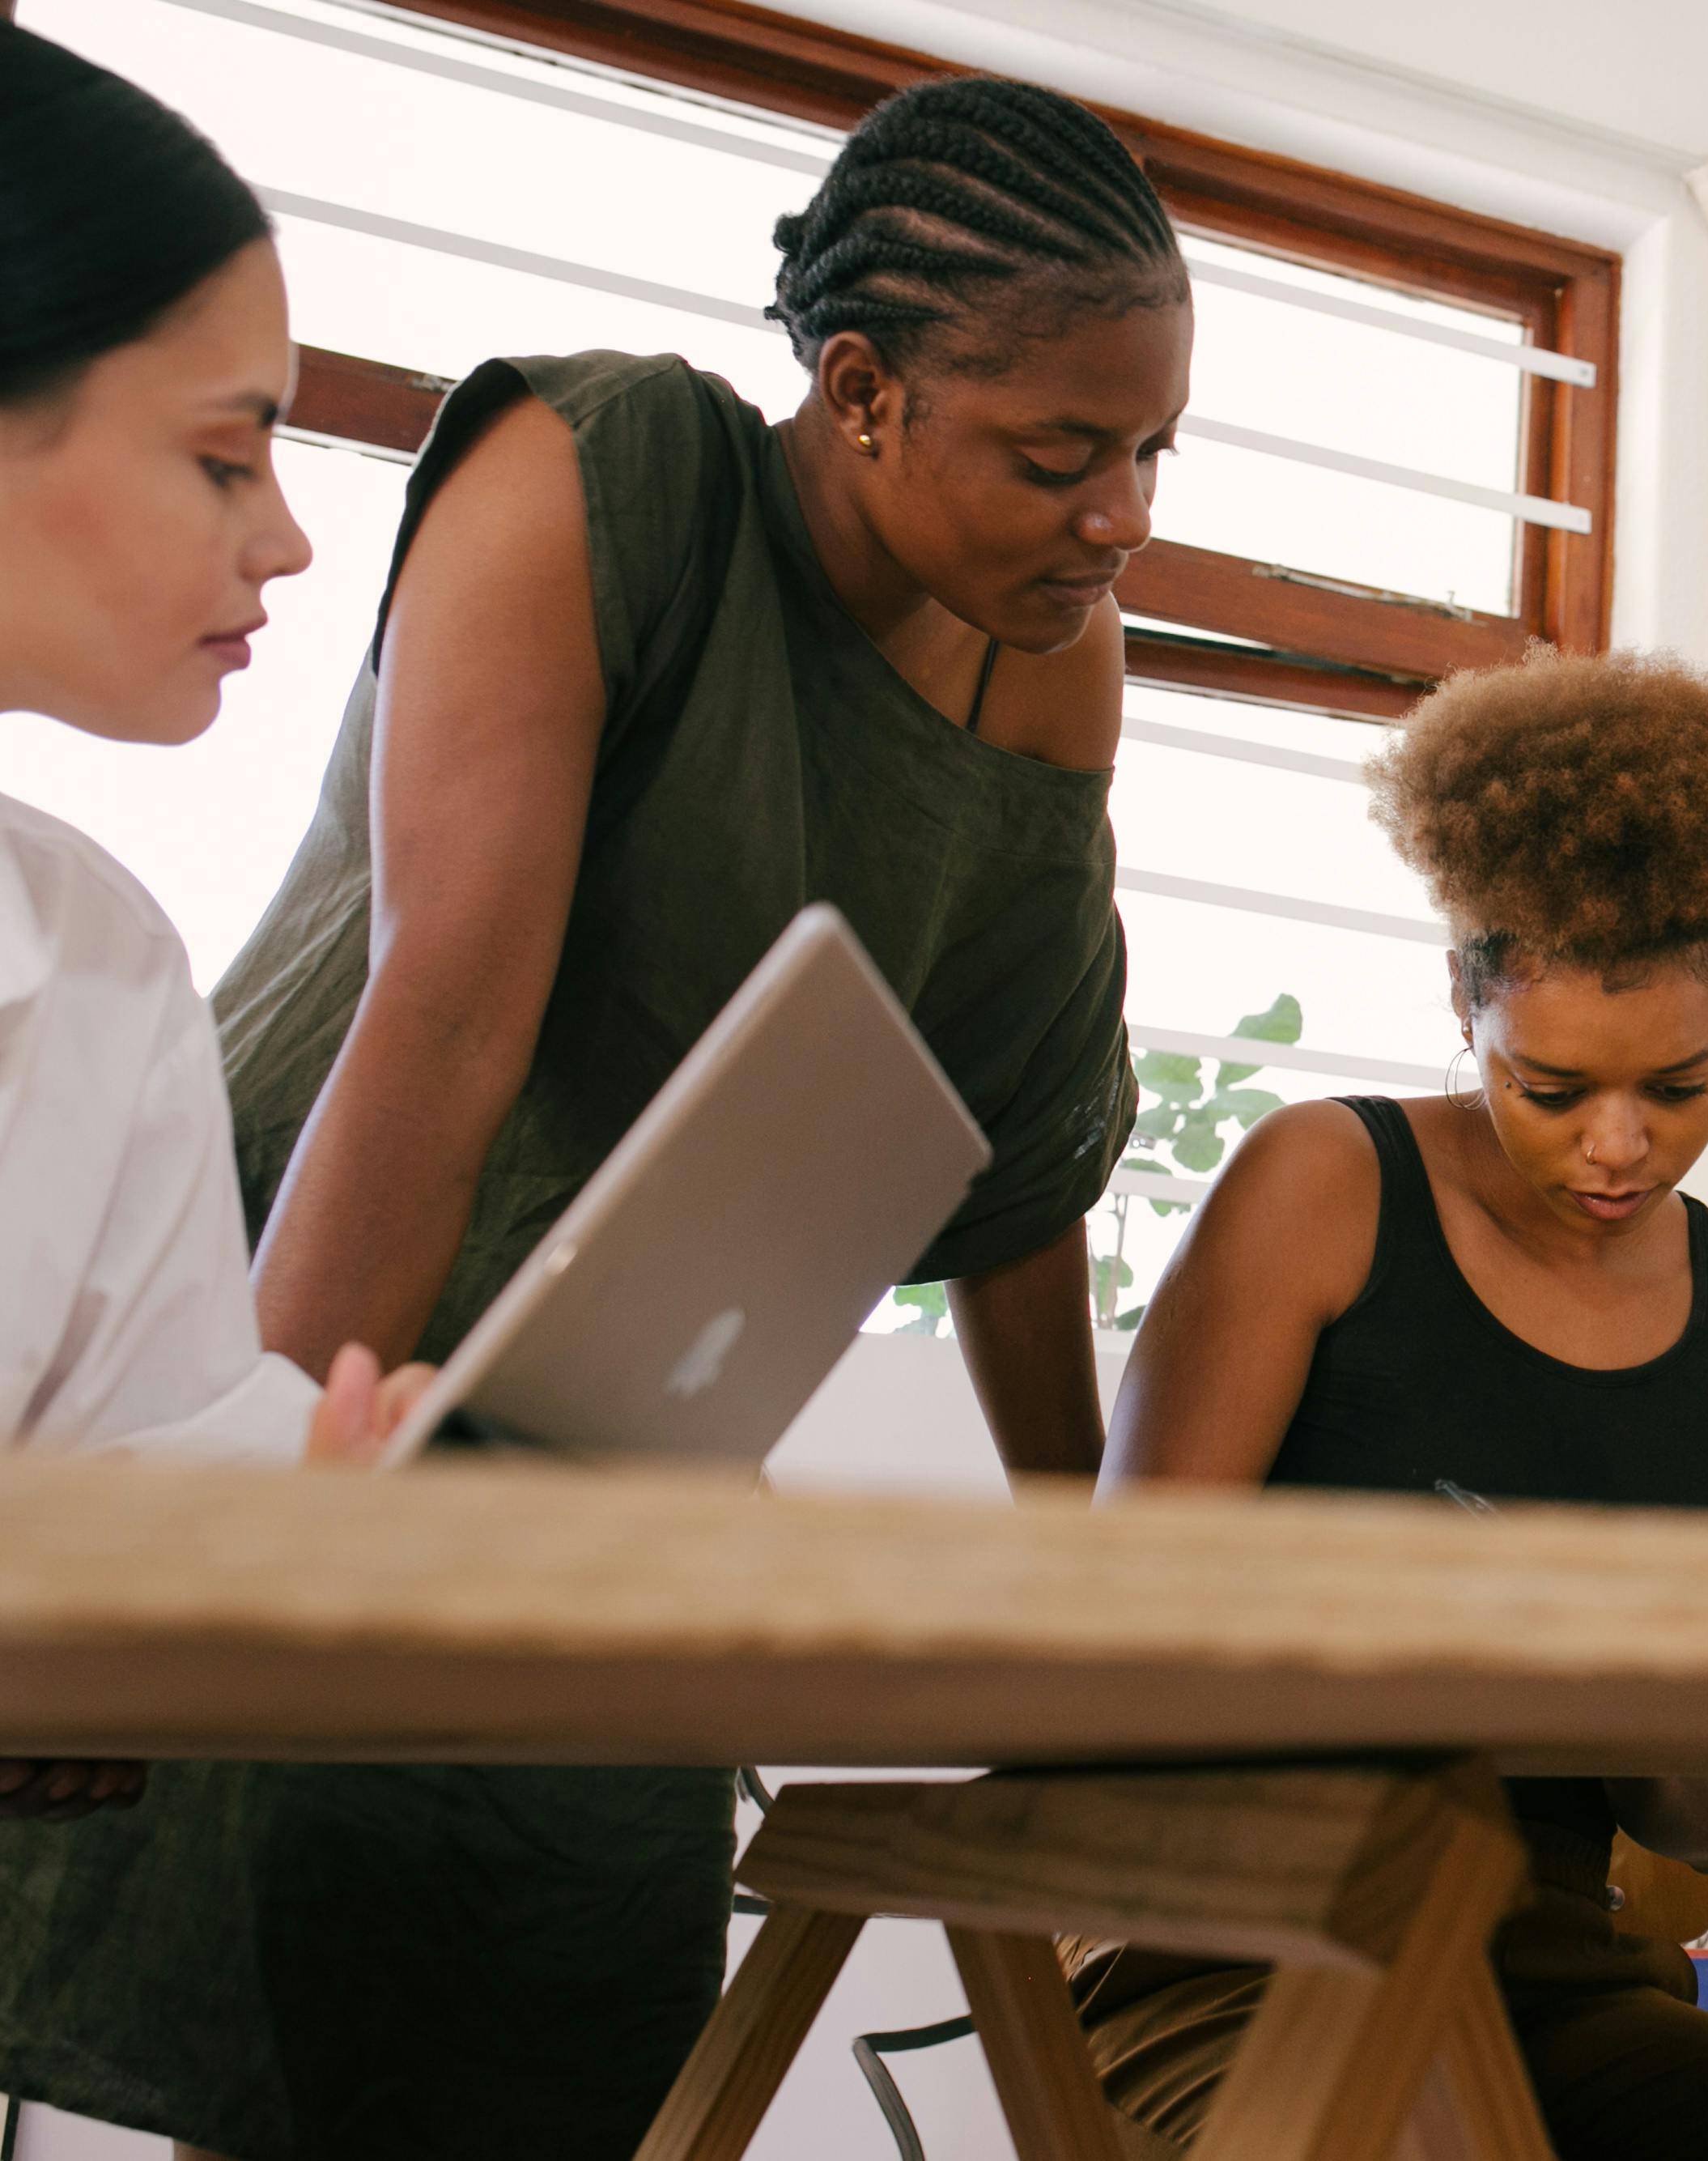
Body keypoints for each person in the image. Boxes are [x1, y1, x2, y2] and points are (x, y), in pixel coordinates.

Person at [0, 70, 1188, 2161]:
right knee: (269, 1953)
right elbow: (443, 1020)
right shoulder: (604, 464)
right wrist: (269, 1557)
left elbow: (1019, 1151)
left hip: (595, 1403)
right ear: (863, 390)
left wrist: (1079, 1578)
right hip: (309, 1280)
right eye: (1060, 453)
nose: (1118, 516)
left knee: (555, 1978)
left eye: (1151, 454)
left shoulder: (1048, 657)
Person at [1094, 648, 1708, 2161]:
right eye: (1549, 1089)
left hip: (1549, 1981)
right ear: (1464, 997)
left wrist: (1648, 1680)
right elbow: (1100, 1648)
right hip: (1233, 1951)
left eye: (1680, 1087)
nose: (1618, 1147)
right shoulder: (1325, 1189)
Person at [0, 0, 419, 2057]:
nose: (289, 538)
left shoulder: (92, 957)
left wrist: (298, 1521)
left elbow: (123, 1472)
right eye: (221, 453)